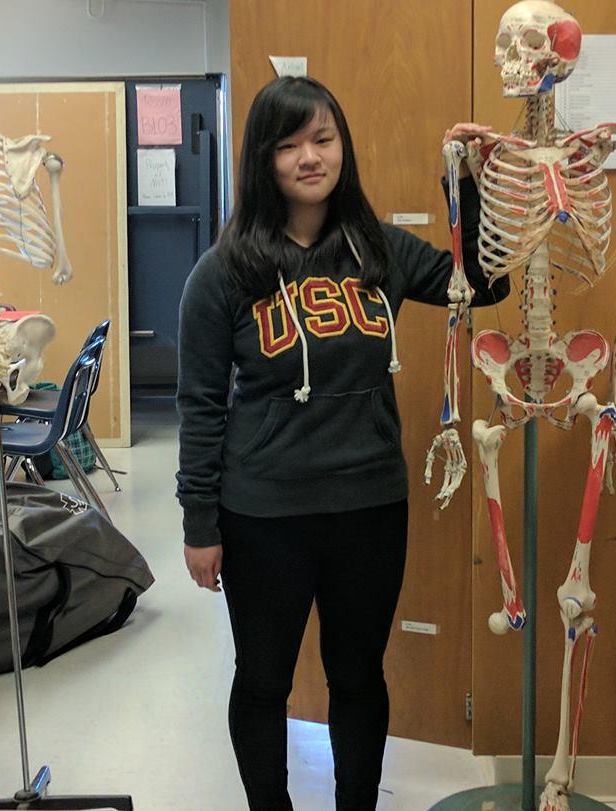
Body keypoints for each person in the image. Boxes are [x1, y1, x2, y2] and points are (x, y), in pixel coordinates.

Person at [175, 74, 506, 811]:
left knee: (358, 675)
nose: (309, 157)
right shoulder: (223, 273)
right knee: (263, 679)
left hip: (368, 505)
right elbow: (199, 407)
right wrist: (200, 522)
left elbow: (480, 283)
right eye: (288, 144)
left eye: (322, 139)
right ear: (263, 159)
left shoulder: (376, 250)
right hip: (262, 514)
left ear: (342, 148)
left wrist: (466, 189)